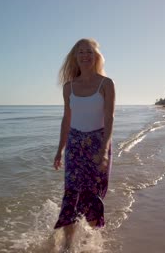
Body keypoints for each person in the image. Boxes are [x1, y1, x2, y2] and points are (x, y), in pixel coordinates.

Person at [53, 38, 115, 249]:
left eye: (89, 51)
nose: (85, 55)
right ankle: (68, 245)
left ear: (96, 56)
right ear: (75, 57)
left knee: (92, 195)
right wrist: (60, 149)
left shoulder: (106, 84)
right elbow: (66, 120)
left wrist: (105, 149)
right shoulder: (68, 87)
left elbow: (109, 118)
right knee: (71, 194)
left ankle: (92, 242)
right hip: (74, 145)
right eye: (81, 52)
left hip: (98, 145)